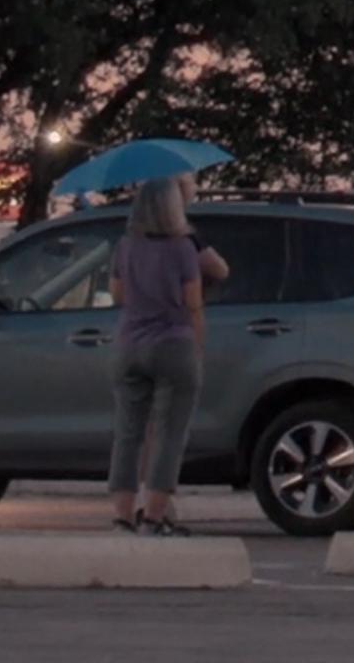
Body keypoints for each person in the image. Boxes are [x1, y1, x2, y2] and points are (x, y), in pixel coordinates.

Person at [108, 175, 229, 535]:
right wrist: (198, 346)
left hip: (129, 344)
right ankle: (155, 517)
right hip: (174, 343)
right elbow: (194, 304)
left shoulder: (126, 245)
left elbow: (117, 295)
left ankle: (122, 516)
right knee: (169, 433)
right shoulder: (182, 248)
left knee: (128, 433)